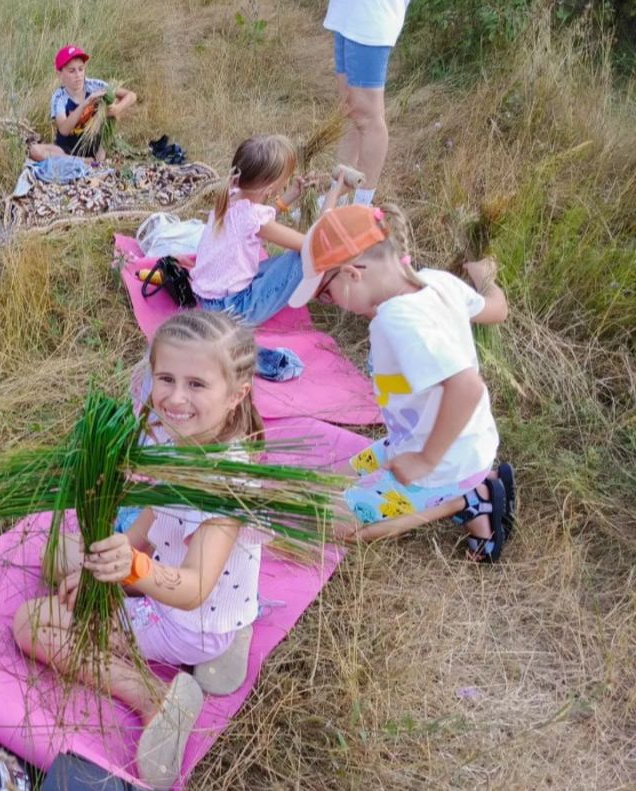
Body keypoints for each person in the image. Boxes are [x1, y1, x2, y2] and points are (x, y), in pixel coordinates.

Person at [12, 311, 272, 791]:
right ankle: (239, 624)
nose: (175, 397)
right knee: (58, 557)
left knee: (31, 623)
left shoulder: (225, 486)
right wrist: (101, 572)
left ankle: (158, 696)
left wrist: (129, 571)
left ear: (236, 394)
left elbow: (193, 589)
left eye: (196, 384)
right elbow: (154, 520)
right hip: (177, 581)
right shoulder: (184, 438)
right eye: (166, 378)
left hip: (185, 618)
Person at [288, 204, 516, 562]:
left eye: (325, 295)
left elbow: (468, 387)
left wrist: (425, 460)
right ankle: (471, 488)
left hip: (442, 461)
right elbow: (496, 309)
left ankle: (472, 499)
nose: (331, 305)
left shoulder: (398, 320)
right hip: (440, 442)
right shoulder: (437, 282)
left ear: (351, 274)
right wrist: (484, 277)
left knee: (331, 523)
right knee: (329, 477)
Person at [190, 134, 348, 326]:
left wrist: (290, 196)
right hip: (233, 311)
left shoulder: (230, 195)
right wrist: (334, 192)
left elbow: (256, 223)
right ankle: (324, 286)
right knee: (301, 259)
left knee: (279, 263)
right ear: (270, 188)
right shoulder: (255, 218)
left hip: (209, 298)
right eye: (286, 178)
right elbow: (314, 245)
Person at [325, 0, 412, 206]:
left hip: (370, 18)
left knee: (368, 118)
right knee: (350, 111)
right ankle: (336, 198)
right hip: (347, 14)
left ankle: (361, 205)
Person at [29, 45, 136, 162]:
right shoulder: (59, 97)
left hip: (93, 145)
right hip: (66, 148)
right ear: (60, 75)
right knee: (35, 150)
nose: (78, 75)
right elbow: (63, 129)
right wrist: (85, 103)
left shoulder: (94, 86)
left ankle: (90, 159)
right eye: (71, 71)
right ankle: (80, 161)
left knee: (101, 153)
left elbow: (131, 95)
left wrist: (117, 108)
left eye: (81, 69)